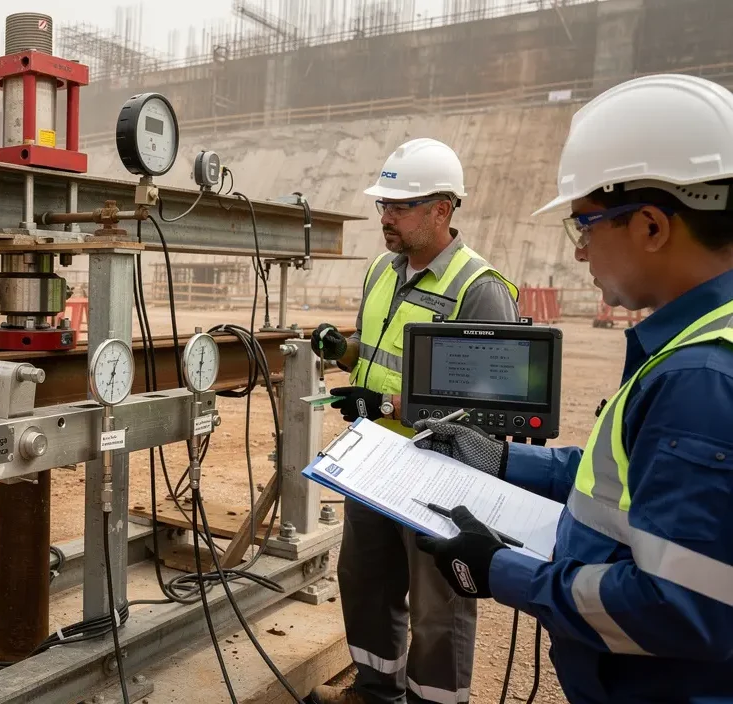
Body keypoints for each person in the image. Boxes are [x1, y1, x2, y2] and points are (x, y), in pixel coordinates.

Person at [411, 73, 733, 703]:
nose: (582, 253)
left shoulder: (700, 378)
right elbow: (624, 484)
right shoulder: (696, 345)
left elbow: (684, 606)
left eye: (584, 225)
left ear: (650, 226)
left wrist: (501, 570)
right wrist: (500, 457)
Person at [309, 138, 519, 704]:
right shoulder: (382, 270)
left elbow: (491, 413)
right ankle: (377, 691)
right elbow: (381, 354)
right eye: (383, 205)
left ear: (442, 210)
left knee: (438, 604)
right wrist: (345, 353)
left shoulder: (481, 291)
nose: (386, 217)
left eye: (399, 207)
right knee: (365, 581)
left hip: (438, 478)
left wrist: (393, 407)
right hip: (374, 462)